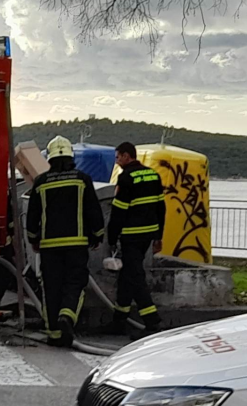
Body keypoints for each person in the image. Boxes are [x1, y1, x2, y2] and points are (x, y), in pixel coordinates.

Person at [26, 136, 105, 348]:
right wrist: (98, 235)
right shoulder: (82, 179)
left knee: (51, 287)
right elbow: (93, 210)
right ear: (72, 157)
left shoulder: (41, 182)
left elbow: (32, 216)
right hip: (76, 245)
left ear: (49, 158)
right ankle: (66, 318)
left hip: (49, 247)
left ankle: (54, 334)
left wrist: (33, 239)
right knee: (74, 283)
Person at [108, 142, 166, 334]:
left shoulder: (125, 178)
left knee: (135, 277)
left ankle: (152, 321)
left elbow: (118, 212)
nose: (117, 162)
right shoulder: (153, 175)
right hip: (148, 235)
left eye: (117, 157)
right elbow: (161, 208)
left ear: (126, 156)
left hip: (131, 235)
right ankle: (118, 321)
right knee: (127, 277)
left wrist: (111, 238)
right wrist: (159, 236)